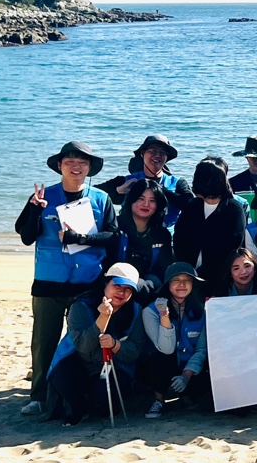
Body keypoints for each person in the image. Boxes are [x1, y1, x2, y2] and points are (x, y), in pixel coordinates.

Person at [16, 140, 117, 415]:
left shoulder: (100, 199)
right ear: (60, 165)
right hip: (49, 282)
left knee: (84, 341)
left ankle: (77, 392)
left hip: (87, 282)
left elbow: (112, 236)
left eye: (82, 162)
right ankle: (39, 396)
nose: (76, 166)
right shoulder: (42, 196)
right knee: (43, 342)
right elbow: (25, 236)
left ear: (89, 168)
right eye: (70, 161)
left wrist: (81, 238)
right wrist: (35, 209)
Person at [44, 262, 144, 425]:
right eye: (117, 285)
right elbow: (83, 345)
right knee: (64, 379)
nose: (122, 292)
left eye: (128, 289)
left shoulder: (135, 311)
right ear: (106, 284)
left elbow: (135, 350)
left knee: (102, 400)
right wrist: (102, 318)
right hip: (77, 360)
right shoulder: (81, 305)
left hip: (114, 365)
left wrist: (115, 345)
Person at [137, 262, 211, 418]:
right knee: (161, 360)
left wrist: (186, 375)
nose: (182, 284)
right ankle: (159, 400)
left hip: (189, 366)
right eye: (176, 280)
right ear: (168, 284)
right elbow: (166, 348)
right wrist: (164, 316)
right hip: (162, 362)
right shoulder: (150, 311)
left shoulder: (203, 311)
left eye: (187, 280)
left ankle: (186, 396)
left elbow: (201, 350)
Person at [173, 158, 248, 297]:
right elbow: (179, 238)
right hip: (188, 270)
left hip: (220, 275)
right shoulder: (192, 206)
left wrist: (205, 272)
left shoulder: (233, 208)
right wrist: (187, 268)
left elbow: (232, 245)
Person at [98, 134, 194, 227]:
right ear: (142, 153)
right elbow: (93, 195)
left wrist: (159, 191)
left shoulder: (177, 183)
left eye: (162, 152)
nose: (157, 155)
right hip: (132, 238)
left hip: (168, 238)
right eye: (153, 151)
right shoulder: (127, 181)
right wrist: (119, 191)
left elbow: (191, 206)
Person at [111, 178, 173, 302]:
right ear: (131, 200)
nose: (146, 204)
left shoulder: (162, 234)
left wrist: (149, 281)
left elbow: (164, 267)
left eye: (152, 201)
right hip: (116, 281)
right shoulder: (115, 226)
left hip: (147, 284)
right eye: (141, 199)